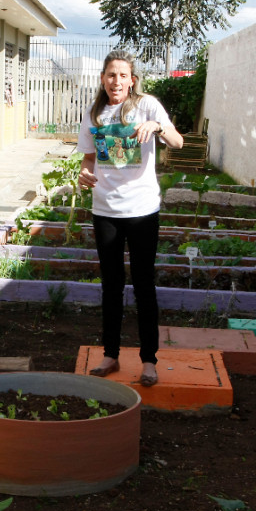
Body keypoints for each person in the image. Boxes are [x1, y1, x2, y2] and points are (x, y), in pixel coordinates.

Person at [76, 50, 184, 388]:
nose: (116, 81)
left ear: (132, 79)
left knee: (143, 284)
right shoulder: (94, 113)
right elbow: (89, 160)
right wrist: (84, 172)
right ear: (103, 79)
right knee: (111, 285)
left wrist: (157, 126)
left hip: (141, 210)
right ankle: (110, 354)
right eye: (110, 75)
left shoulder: (147, 105)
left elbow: (178, 142)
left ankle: (149, 360)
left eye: (122, 75)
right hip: (105, 210)